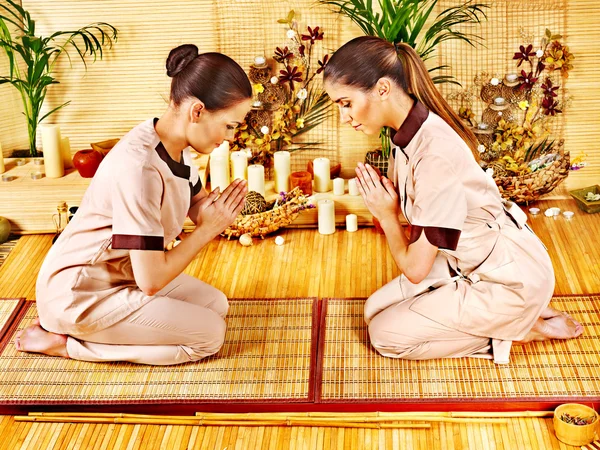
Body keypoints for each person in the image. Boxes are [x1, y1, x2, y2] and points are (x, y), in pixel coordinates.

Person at [323, 36, 583, 364]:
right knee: (373, 309)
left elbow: (416, 269)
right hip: (468, 262)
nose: (344, 117)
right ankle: (517, 314)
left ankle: (520, 327)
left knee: (385, 336)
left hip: (506, 279)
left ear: (383, 89)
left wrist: (387, 216)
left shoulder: (434, 155)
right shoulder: (407, 133)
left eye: (346, 103)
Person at [14, 44, 251, 365]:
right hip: (79, 293)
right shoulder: (140, 169)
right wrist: (208, 229)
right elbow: (152, 281)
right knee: (209, 335)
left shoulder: (173, 145)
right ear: (197, 111)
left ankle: (95, 331)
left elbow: (197, 204)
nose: (231, 137)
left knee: (216, 305)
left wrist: (220, 211)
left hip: (121, 274)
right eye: (229, 125)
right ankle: (64, 344)